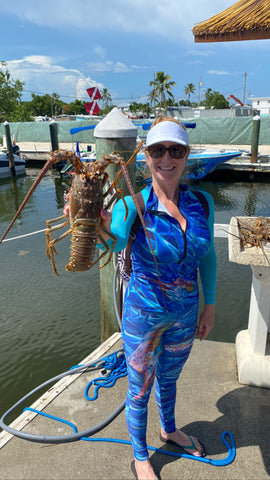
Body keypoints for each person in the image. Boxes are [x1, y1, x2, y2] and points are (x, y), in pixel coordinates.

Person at [102, 117, 217, 480]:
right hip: (143, 316)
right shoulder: (129, 206)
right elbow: (112, 244)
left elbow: (208, 255)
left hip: (185, 315)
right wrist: (90, 223)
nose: (167, 158)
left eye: (176, 150)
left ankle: (168, 429)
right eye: (157, 150)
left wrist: (209, 305)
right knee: (139, 387)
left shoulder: (203, 203)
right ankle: (140, 456)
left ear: (186, 156)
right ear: (146, 156)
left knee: (169, 379)